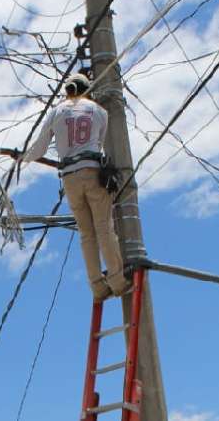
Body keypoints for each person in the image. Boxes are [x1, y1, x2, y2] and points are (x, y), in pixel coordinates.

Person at [23, 73, 129, 301]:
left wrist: (24, 157)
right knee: (104, 227)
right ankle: (117, 280)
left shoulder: (56, 112)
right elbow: (99, 143)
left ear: (68, 91)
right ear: (87, 90)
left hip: (69, 177)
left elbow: (39, 147)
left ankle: (97, 286)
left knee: (86, 234)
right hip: (92, 170)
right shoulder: (99, 111)